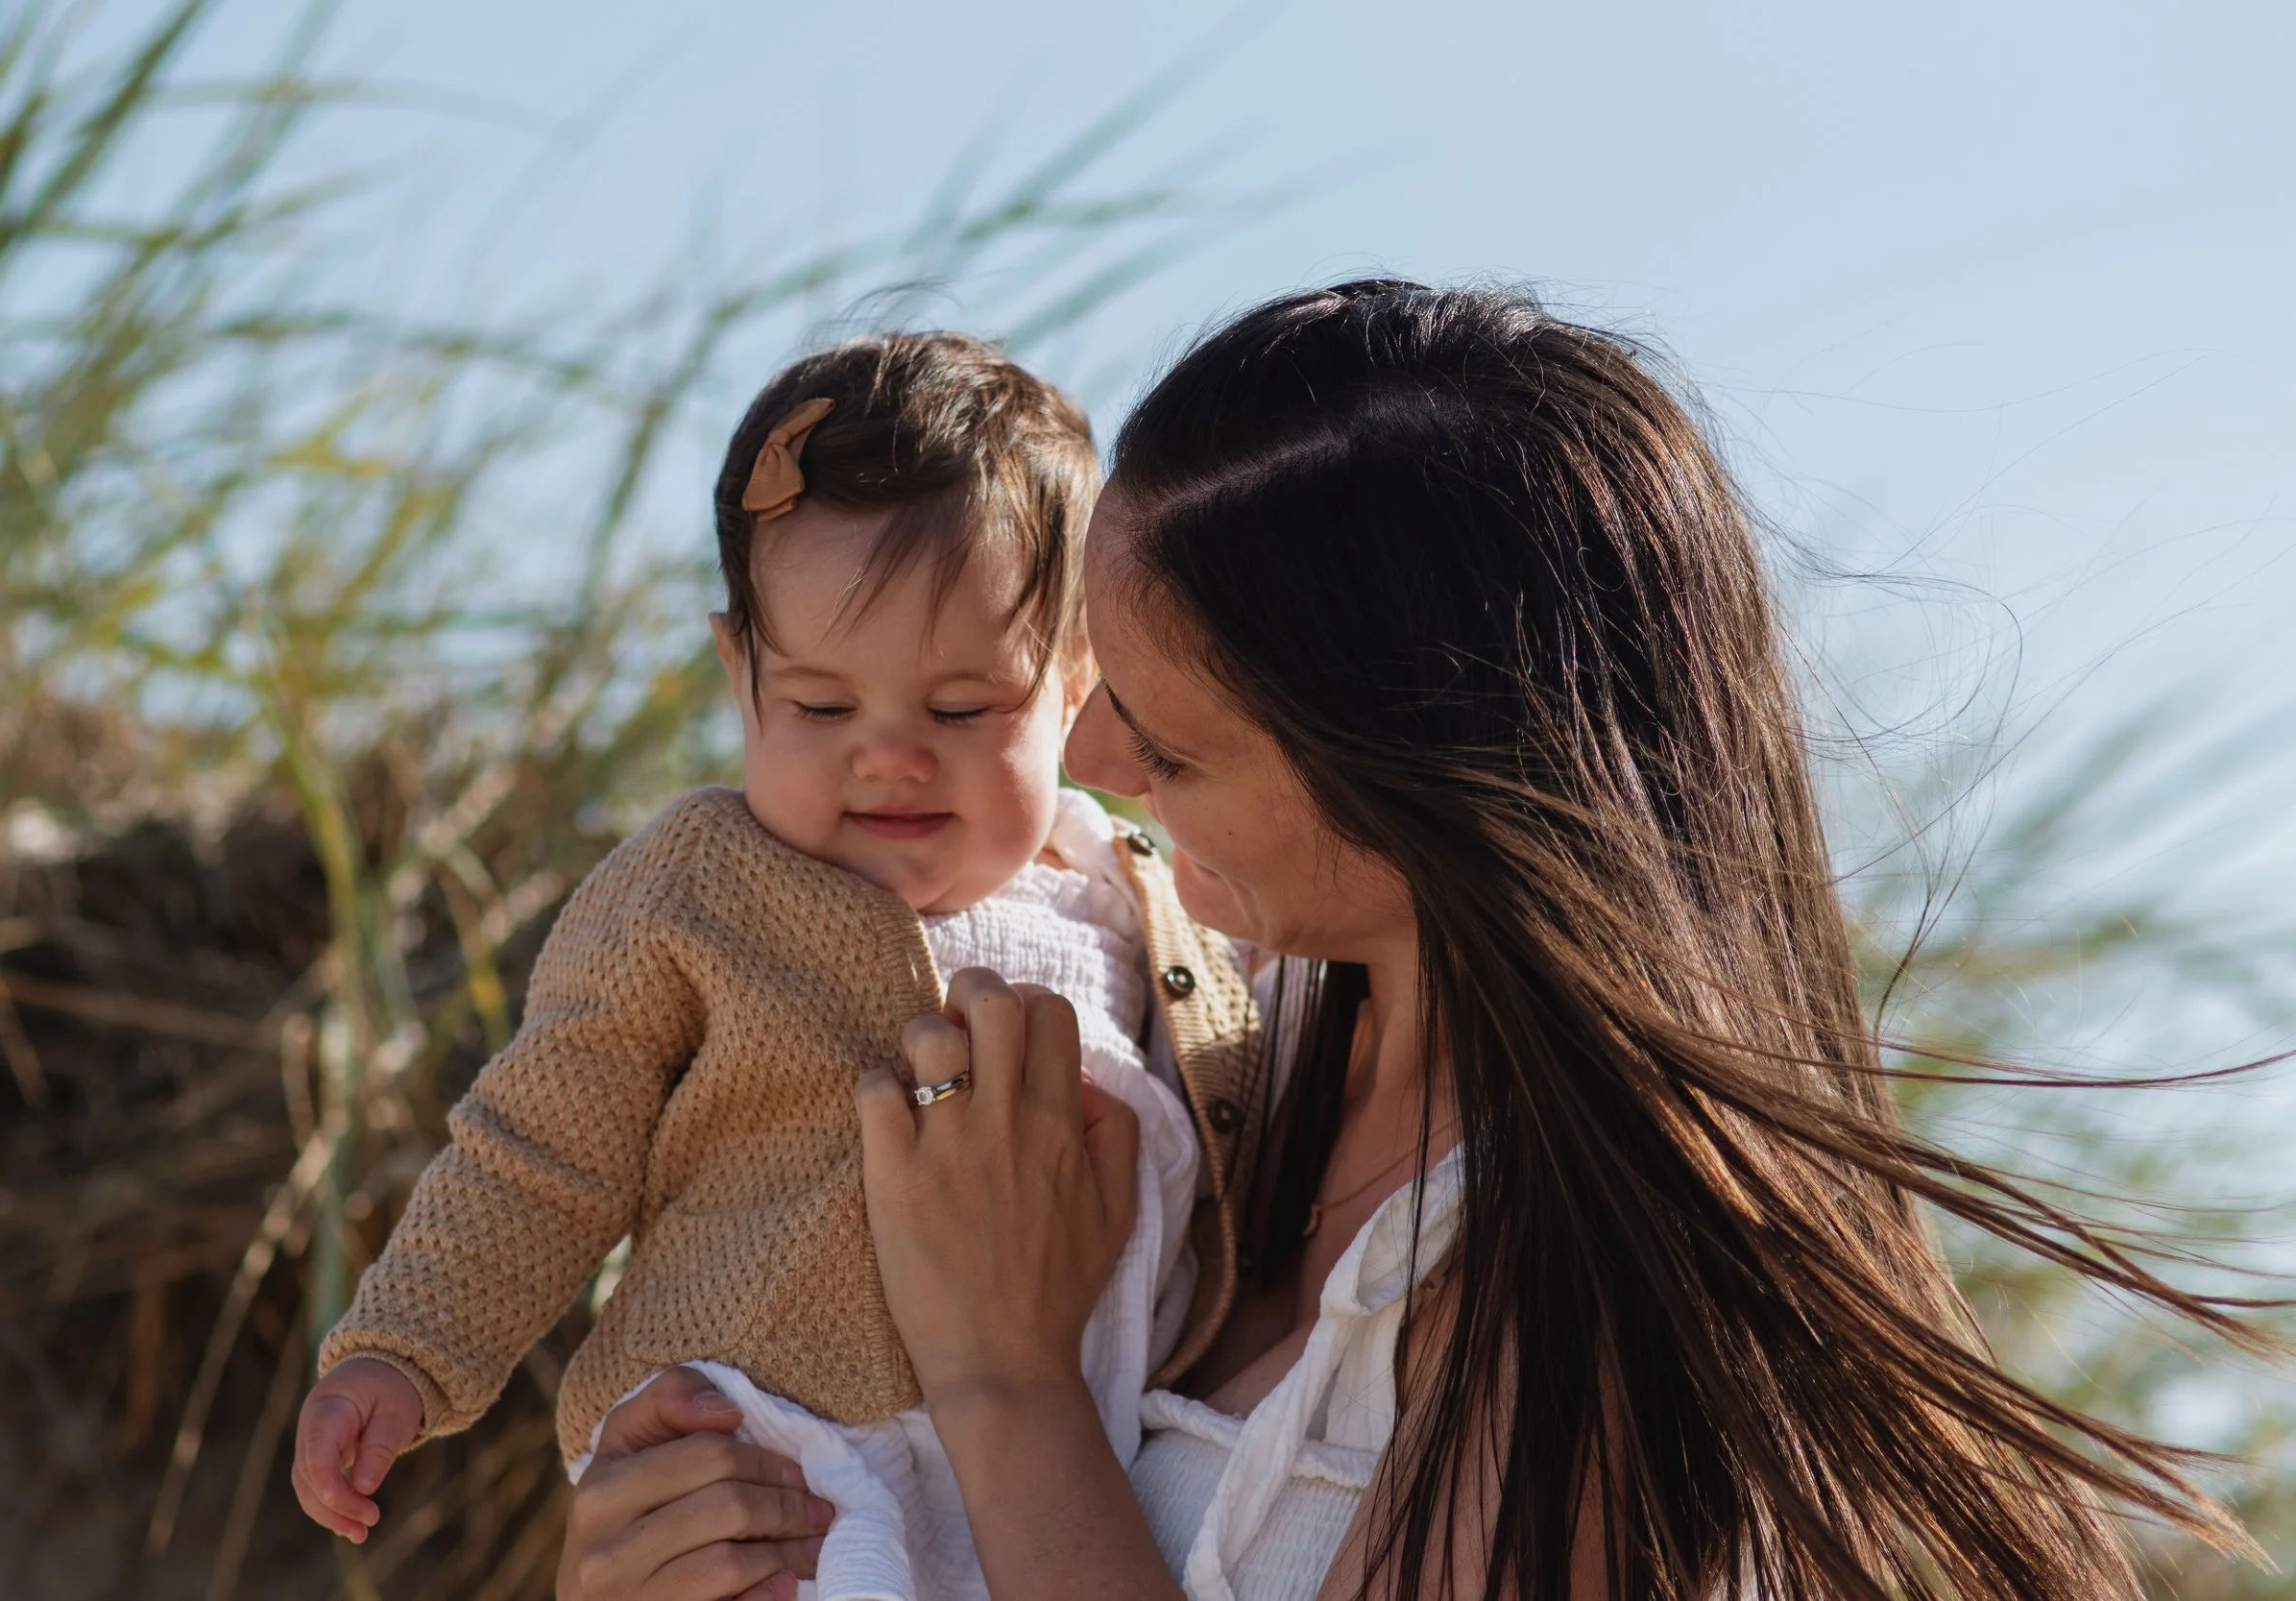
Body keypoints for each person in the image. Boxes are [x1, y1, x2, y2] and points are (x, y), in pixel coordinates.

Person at [559, 281, 2263, 1601]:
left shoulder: (1581, 1291)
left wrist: (1006, 1382)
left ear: (1422, 775)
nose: (1089, 767)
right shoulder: (1226, 1076)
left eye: (1173, 739)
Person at [288, 331, 1252, 1601]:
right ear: (740, 670)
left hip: (1071, 1463)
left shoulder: (1149, 899)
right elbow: (538, 1146)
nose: (891, 755)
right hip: (771, 1449)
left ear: (1076, 683)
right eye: (820, 706)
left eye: (963, 710)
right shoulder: (695, 891)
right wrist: (401, 1356)